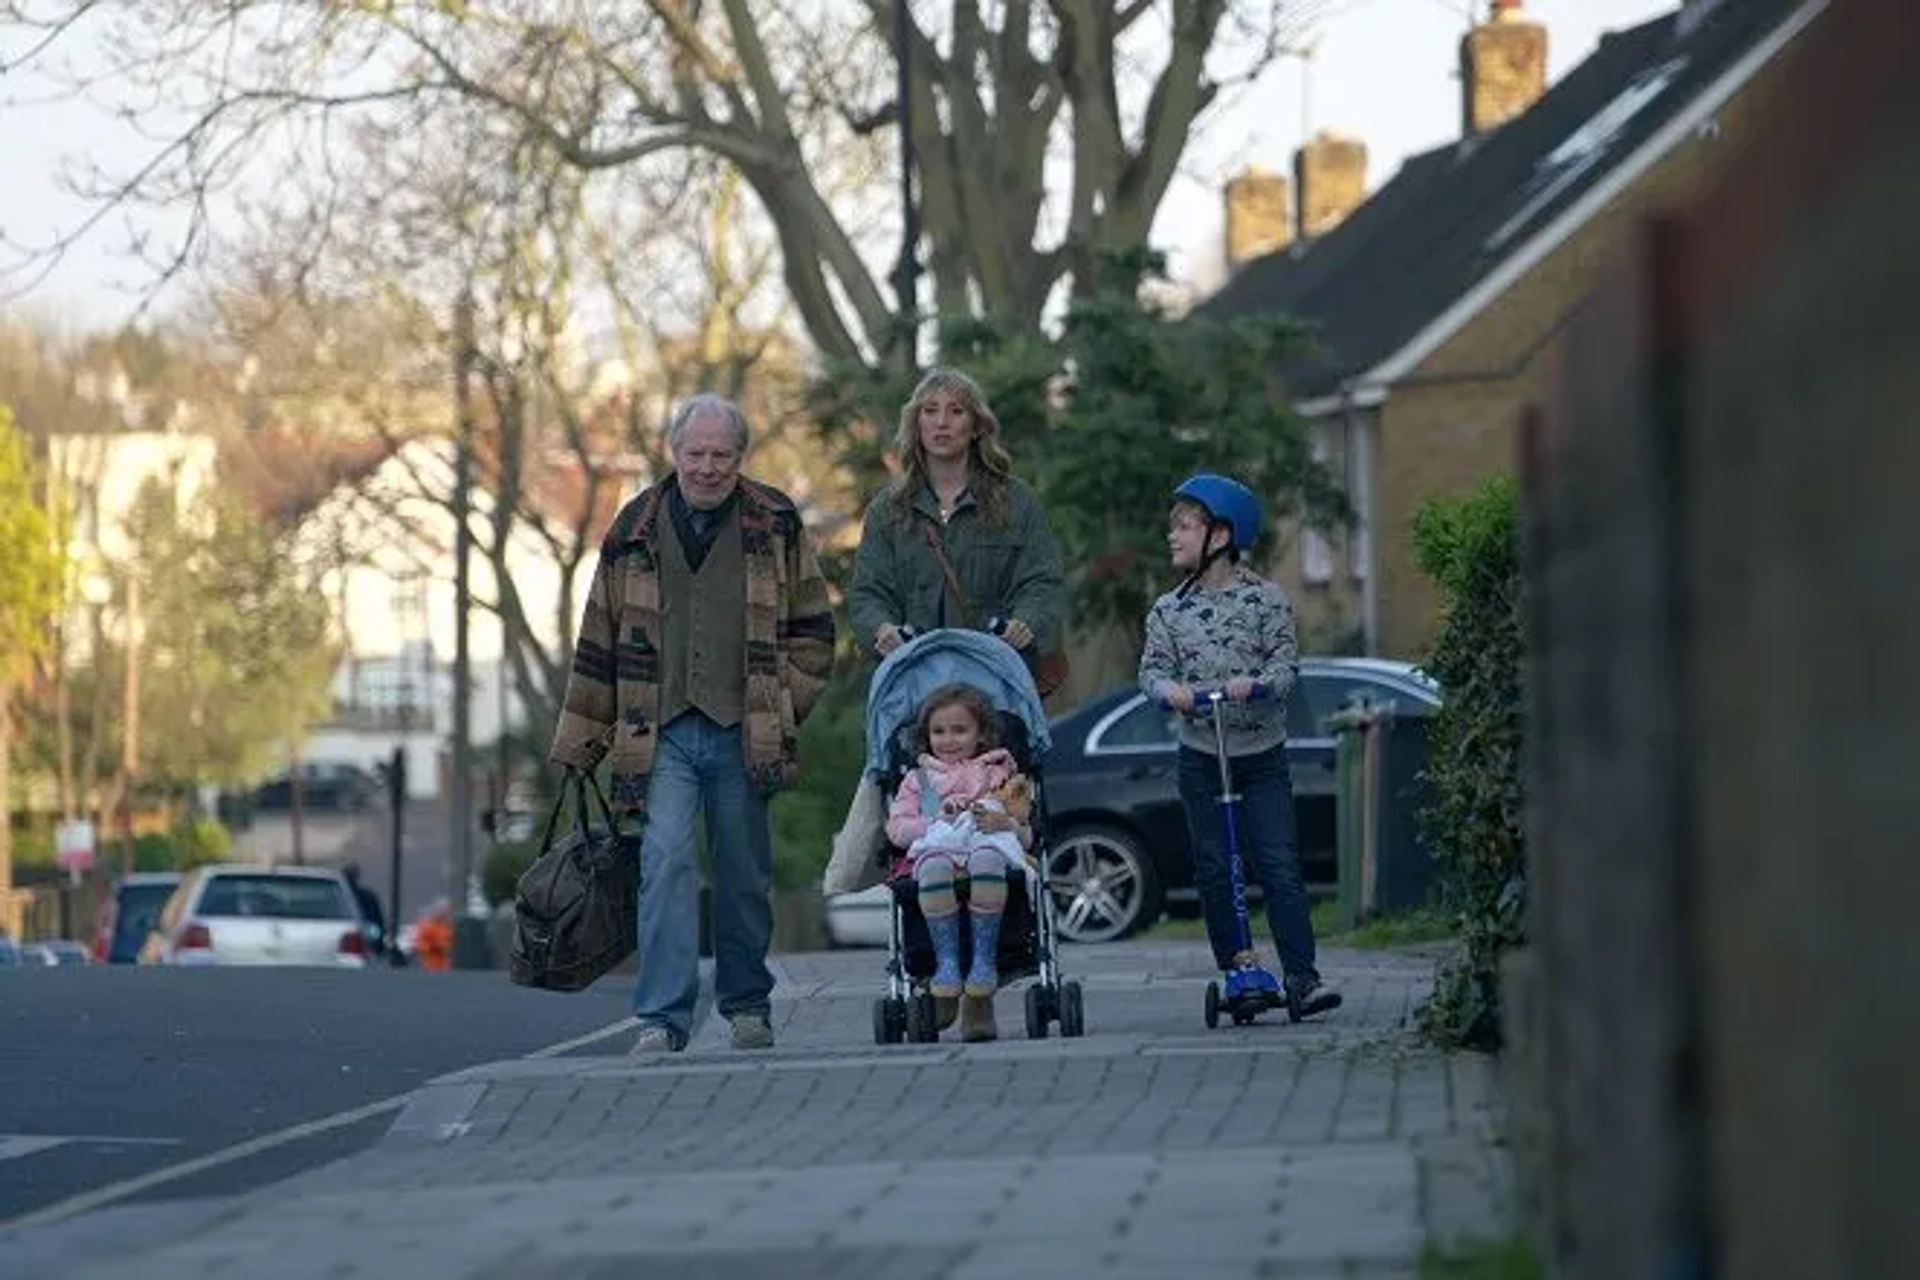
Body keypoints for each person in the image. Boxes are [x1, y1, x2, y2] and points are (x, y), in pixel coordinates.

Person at [549, 393, 837, 1055]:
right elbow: (598, 639)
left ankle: (745, 1007)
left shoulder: (776, 521)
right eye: (695, 454)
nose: (708, 468)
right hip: (661, 731)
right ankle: (662, 1017)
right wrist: (580, 741)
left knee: (743, 874)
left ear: (741, 457)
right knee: (666, 861)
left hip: (745, 728)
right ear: (673, 454)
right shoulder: (634, 528)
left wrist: (781, 707)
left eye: (721, 455)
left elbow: (816, 633)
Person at [1137, 474, 1341, 1019]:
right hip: (1203, 755)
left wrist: (1261, 684)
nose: (1173, 538)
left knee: (1278, 863)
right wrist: (1170, 692)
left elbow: (1284, 664)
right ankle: (1239, 967)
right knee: (1214, 865)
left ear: (1221, 535)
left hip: (1262, 755)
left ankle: (1302, 977)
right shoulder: (1167, 610)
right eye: (1172, 528)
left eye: (1185, 527)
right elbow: (1152, 671)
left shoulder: (1265, 600)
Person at [848, 366, 1065, 667]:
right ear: (917, 424)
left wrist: (1026, 623)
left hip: (995, 675)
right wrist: (882, 630)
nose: (941, 422)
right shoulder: (888, 510)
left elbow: (1042, 583)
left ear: (976, 426)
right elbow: (868, 593)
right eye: (930, 410)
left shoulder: (1017, 503)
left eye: (956, 411)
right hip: (914, 677)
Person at [883, 683, 1033, 1042]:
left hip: (988, 851)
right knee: (933, 867)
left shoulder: (1000, 774)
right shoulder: (919, 779)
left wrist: (1006, 824)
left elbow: (1028, 833)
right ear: (926, 736)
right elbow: (897, 829)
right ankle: (947, 966)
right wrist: (934, 821)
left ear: (981, 734)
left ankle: (983, 966)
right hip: (938, 853)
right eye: (939, 731)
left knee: (987, 859)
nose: (948, 740)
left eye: (960, 730)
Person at [340, 861, 388, 956]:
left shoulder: (338, 896)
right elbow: (378, 921)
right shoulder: (368, 896)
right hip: (367, 934)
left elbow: (378, 922)